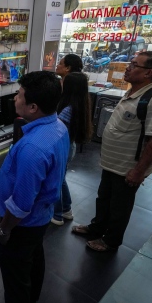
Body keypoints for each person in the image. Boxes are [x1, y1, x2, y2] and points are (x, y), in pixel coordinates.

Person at [72, 51, 152, 252]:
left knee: (120, 207)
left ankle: (111, 240)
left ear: (148, 73)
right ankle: (96, 228)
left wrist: (139, 171)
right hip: (112, 164)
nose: (128, 67)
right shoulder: (133, 93)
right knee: (104, 198)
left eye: (134, 65)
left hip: (128, 168)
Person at [0, 71, 69, 303]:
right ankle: (33, 297)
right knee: (35, 258)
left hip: (22, 225)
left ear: (33, 107)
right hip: (41, 218)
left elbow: (21, 203)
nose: (15, 98)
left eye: (19, 95)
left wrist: (4, 228)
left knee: (15, 279)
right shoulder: (58, 126)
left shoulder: (32, 148)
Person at [50, 71, 93, 225]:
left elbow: (58, 131)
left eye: (64, 82)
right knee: (61, 180)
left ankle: (57, 215)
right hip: (70, 146)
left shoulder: (67, 109)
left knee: (55, 181)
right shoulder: (80, 104)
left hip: (63, 148)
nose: (61, 83)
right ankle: (66, 209)